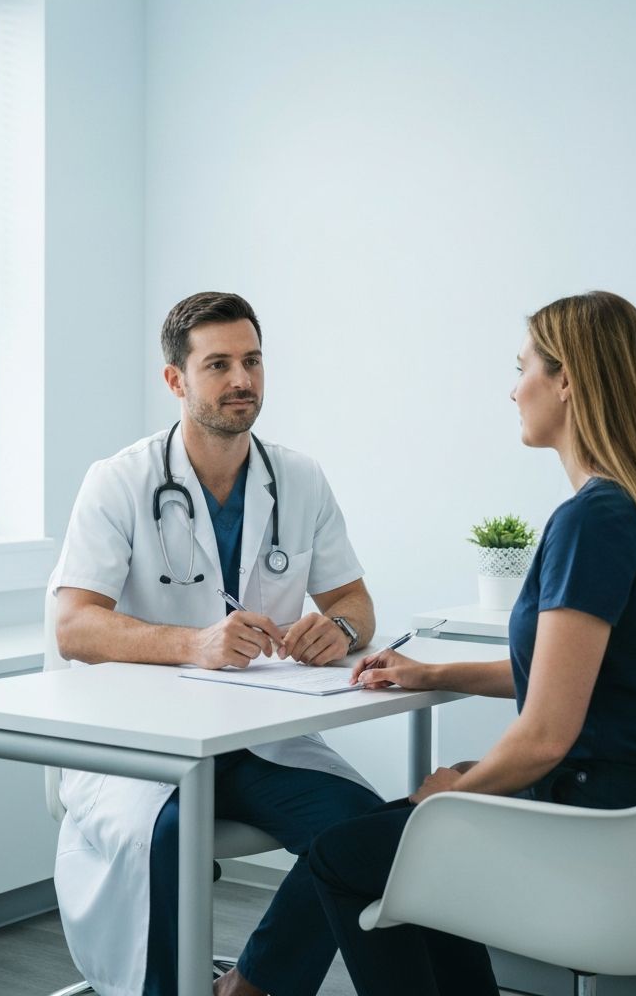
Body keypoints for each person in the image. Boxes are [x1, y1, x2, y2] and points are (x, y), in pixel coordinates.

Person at [308, 290, 636, 996]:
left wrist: (450, 800)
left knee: (342, 855)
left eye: (523, 367)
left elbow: (546, 736)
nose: (513, 388)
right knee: (413, 851)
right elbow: (575, 677)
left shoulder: (593, 522)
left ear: (567, 380)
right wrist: (434, 675)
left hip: (593, 822)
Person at [50, 291, 383, 996]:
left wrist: (341, 629)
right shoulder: (120, 481)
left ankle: (254, 984)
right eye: (219, 364)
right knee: (166, 837)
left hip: (257, 742)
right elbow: (74, 626)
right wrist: (193, 644)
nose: (243, 380)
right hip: (145, 746)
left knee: (363, 829)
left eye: (253, 361)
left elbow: (356, 603)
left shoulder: (298, 478)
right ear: (175, 379)